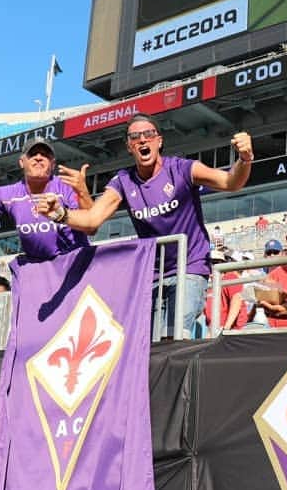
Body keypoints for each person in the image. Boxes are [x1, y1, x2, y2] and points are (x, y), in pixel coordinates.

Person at [40, 115, 254, 339]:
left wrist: (245, 159)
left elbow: (231, 182)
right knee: (147, 345)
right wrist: (59, 213)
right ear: (129, 146)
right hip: (153, 273)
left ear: (159, 141)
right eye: (135, 137)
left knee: (173, 338)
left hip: (190, 266)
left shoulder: (182, 168)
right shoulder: (123, 181)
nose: (143, 140)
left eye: (149, 134)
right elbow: (92, 220)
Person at [0, 138, 92, 261]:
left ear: (52, 164)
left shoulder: (66, 186)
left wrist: (83, 193)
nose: (39, 157)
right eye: (32, 154)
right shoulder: (7, 194)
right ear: (22, 162)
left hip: (75, 262)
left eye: (45, 155)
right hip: (38, 270)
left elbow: (91, 227)